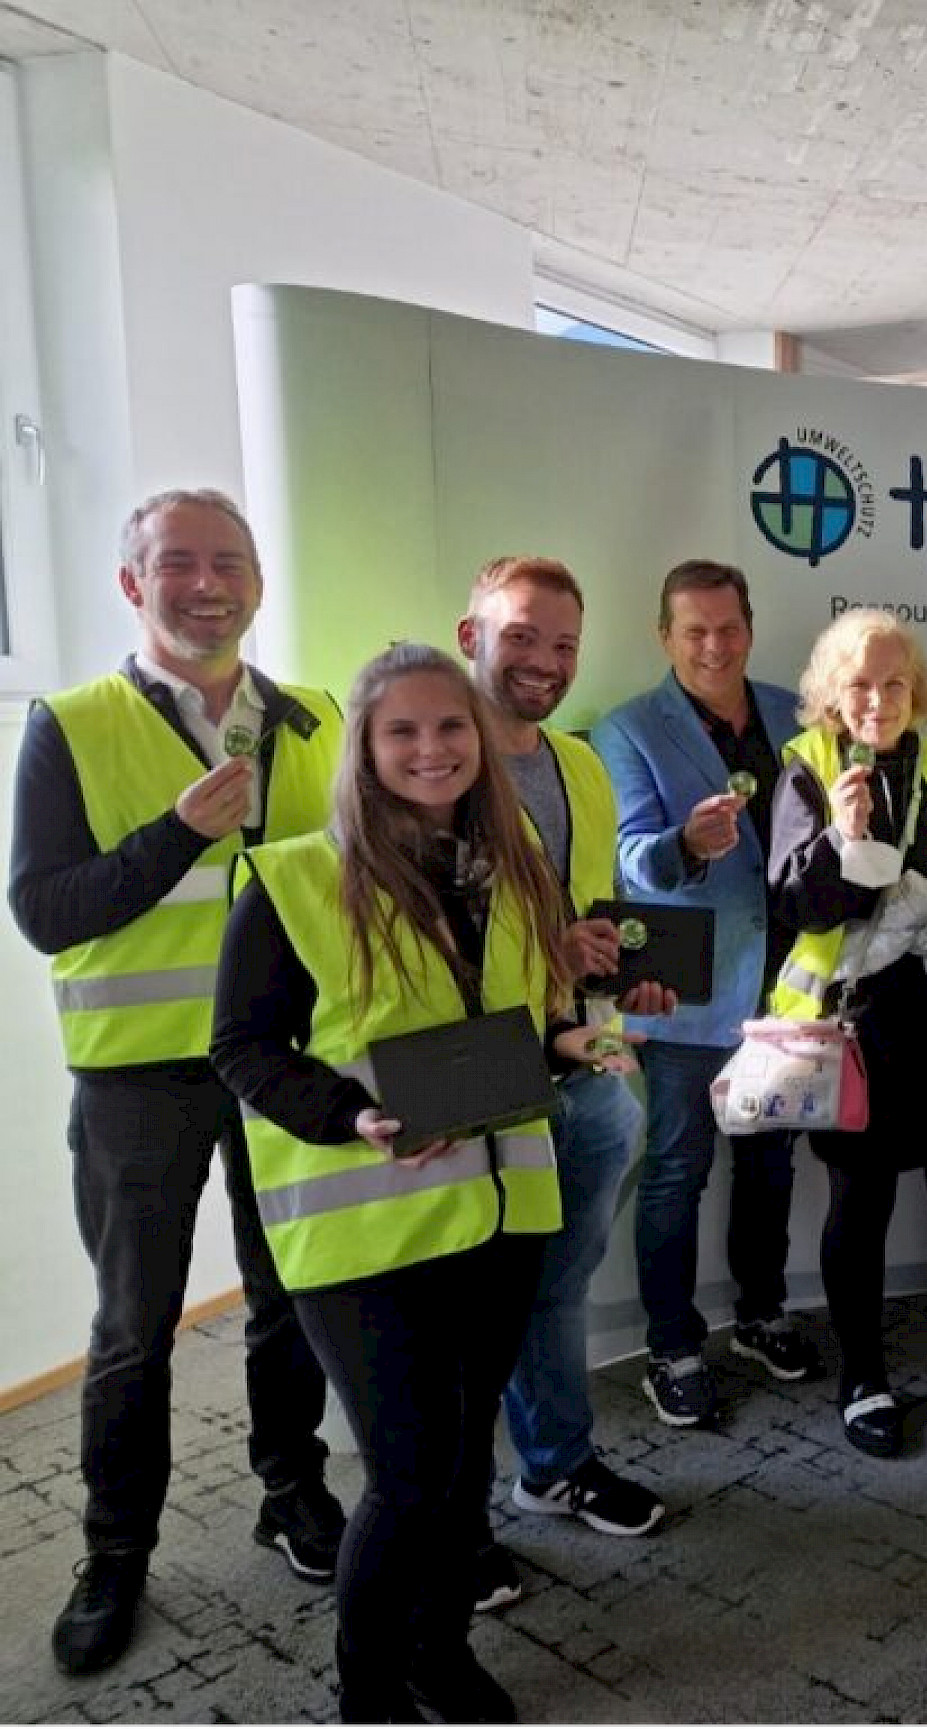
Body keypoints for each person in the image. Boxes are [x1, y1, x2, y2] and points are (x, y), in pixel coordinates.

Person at [212, 642, 595, 1722]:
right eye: (403, 731)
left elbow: (512, 1018)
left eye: (451, 728)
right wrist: (349, 1117)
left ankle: (438, 1647)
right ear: (364, 750)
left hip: (502, 1208)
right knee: (407, 1473)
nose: (431, 749)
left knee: (465, 1454)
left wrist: (569, 1041)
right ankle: (370, 1690)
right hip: (366, 1231)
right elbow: (242, 1047)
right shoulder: (294, 875)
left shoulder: (508, 862)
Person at [9, 489, 343, 1678]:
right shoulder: (72, 722)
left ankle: (289, 1488)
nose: (210, 582)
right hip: (136, 1083)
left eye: (231, 562)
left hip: (279, 1066)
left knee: (288, 1295)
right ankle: (114, 1551)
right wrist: (175, 834)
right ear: (130, 584)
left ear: (258, 580)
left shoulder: (311, 719)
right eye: (180, 563)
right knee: (131, 1330)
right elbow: (45, 913)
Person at [457, 557, 669, 1616]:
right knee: (469, 1290)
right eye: (522, 636)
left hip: (579, 1060)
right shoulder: (428, 754)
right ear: (470, 634)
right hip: (472, 1068)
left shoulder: (581, 764)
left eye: (563, 645)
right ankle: (452, 1523)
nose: (543, 662)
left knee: (555, 1279)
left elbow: (597, 914)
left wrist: (620, 964)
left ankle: (549, 1464)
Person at [767, 609, 927, 1457]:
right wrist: (843, 838)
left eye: (894, 682)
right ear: (832, 696)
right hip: (858, 1024)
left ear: (918, 689)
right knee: (860, 1203)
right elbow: (797, 906)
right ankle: (863, 1375)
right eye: (860, 685)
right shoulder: (806, 768)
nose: (878, 699)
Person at [593, 560, 825, 1428]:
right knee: (677, 1173)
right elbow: (629, 859)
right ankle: (673, 1344)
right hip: (686, 985)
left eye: (728, 628)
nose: (713, 645)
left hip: (787, 987)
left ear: (750, 629)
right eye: (694, 630)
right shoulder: (626, 727)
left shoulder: (788, 713)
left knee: (769, 1167)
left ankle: (760, 1314)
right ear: (664, 636)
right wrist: (686, 844)